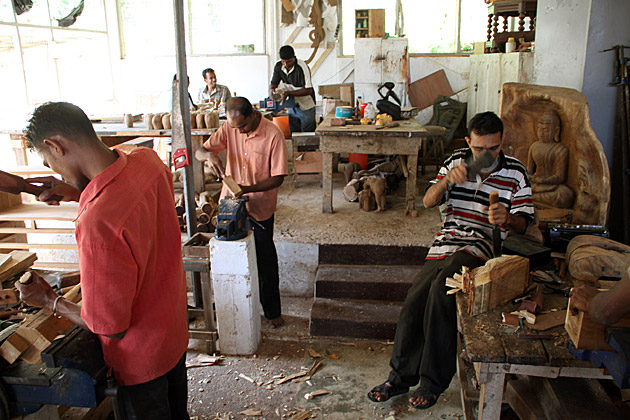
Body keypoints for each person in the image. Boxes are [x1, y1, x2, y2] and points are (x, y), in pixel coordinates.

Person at [16, 102, 190, 419]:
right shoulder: (147, 161)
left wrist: (49, 301)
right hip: (173, 336)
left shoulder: (97, 224)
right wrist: (78, 191)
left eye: (51, 161)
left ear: (55, 145)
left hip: (141, 362)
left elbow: (110, 327)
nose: (56, 171)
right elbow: (123, 194)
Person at [367, 112, 535, 410]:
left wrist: (508, 218)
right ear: (469, 142)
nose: (486, 155)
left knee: (441, 293)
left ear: (502, 141)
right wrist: (446, 181)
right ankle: (400, 377)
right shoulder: (456, 161)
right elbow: (428, 201)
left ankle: (433, 381)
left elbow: (524, 222)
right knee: (415, 299)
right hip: (447, 242)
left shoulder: (516, 172)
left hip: (483, 244)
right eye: (479, 149)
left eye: (493, 148)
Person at [195, 97, 288, 328]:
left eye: (244, 127)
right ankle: (235, 311)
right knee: (230, 257)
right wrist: (209, 156)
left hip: (260, 206)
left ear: (254, 114)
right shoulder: (230, 127)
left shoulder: (273, 134)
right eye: (236, 128)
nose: (240, 132)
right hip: (231, 205)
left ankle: (272, 312)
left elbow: (278, 178)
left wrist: (247, 189)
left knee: (265, 260)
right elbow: (199, 150)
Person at [526, 109, 574, 209]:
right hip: (535, 184)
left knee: (565, 195)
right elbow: (529, 170)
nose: (542, 133)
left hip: (551, 186)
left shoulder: (560, 150)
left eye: (546, 130)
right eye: (539, 129)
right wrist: (530, 177)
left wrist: (544, 180)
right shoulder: (534, 146)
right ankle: (531, 198)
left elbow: (560, 176)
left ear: (556, 131)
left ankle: (531, 199)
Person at [269, 45, 316, 133]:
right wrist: (272, 92)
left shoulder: (302, 66)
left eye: (289, 61)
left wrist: (289, 93)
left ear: (294, 58)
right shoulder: (279, 66)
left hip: (306, 103)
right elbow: (273, 84)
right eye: (284, 62)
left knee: (307, 134)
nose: (286, 64)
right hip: (292, 104)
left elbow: (308, 90)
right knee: (294, 133)